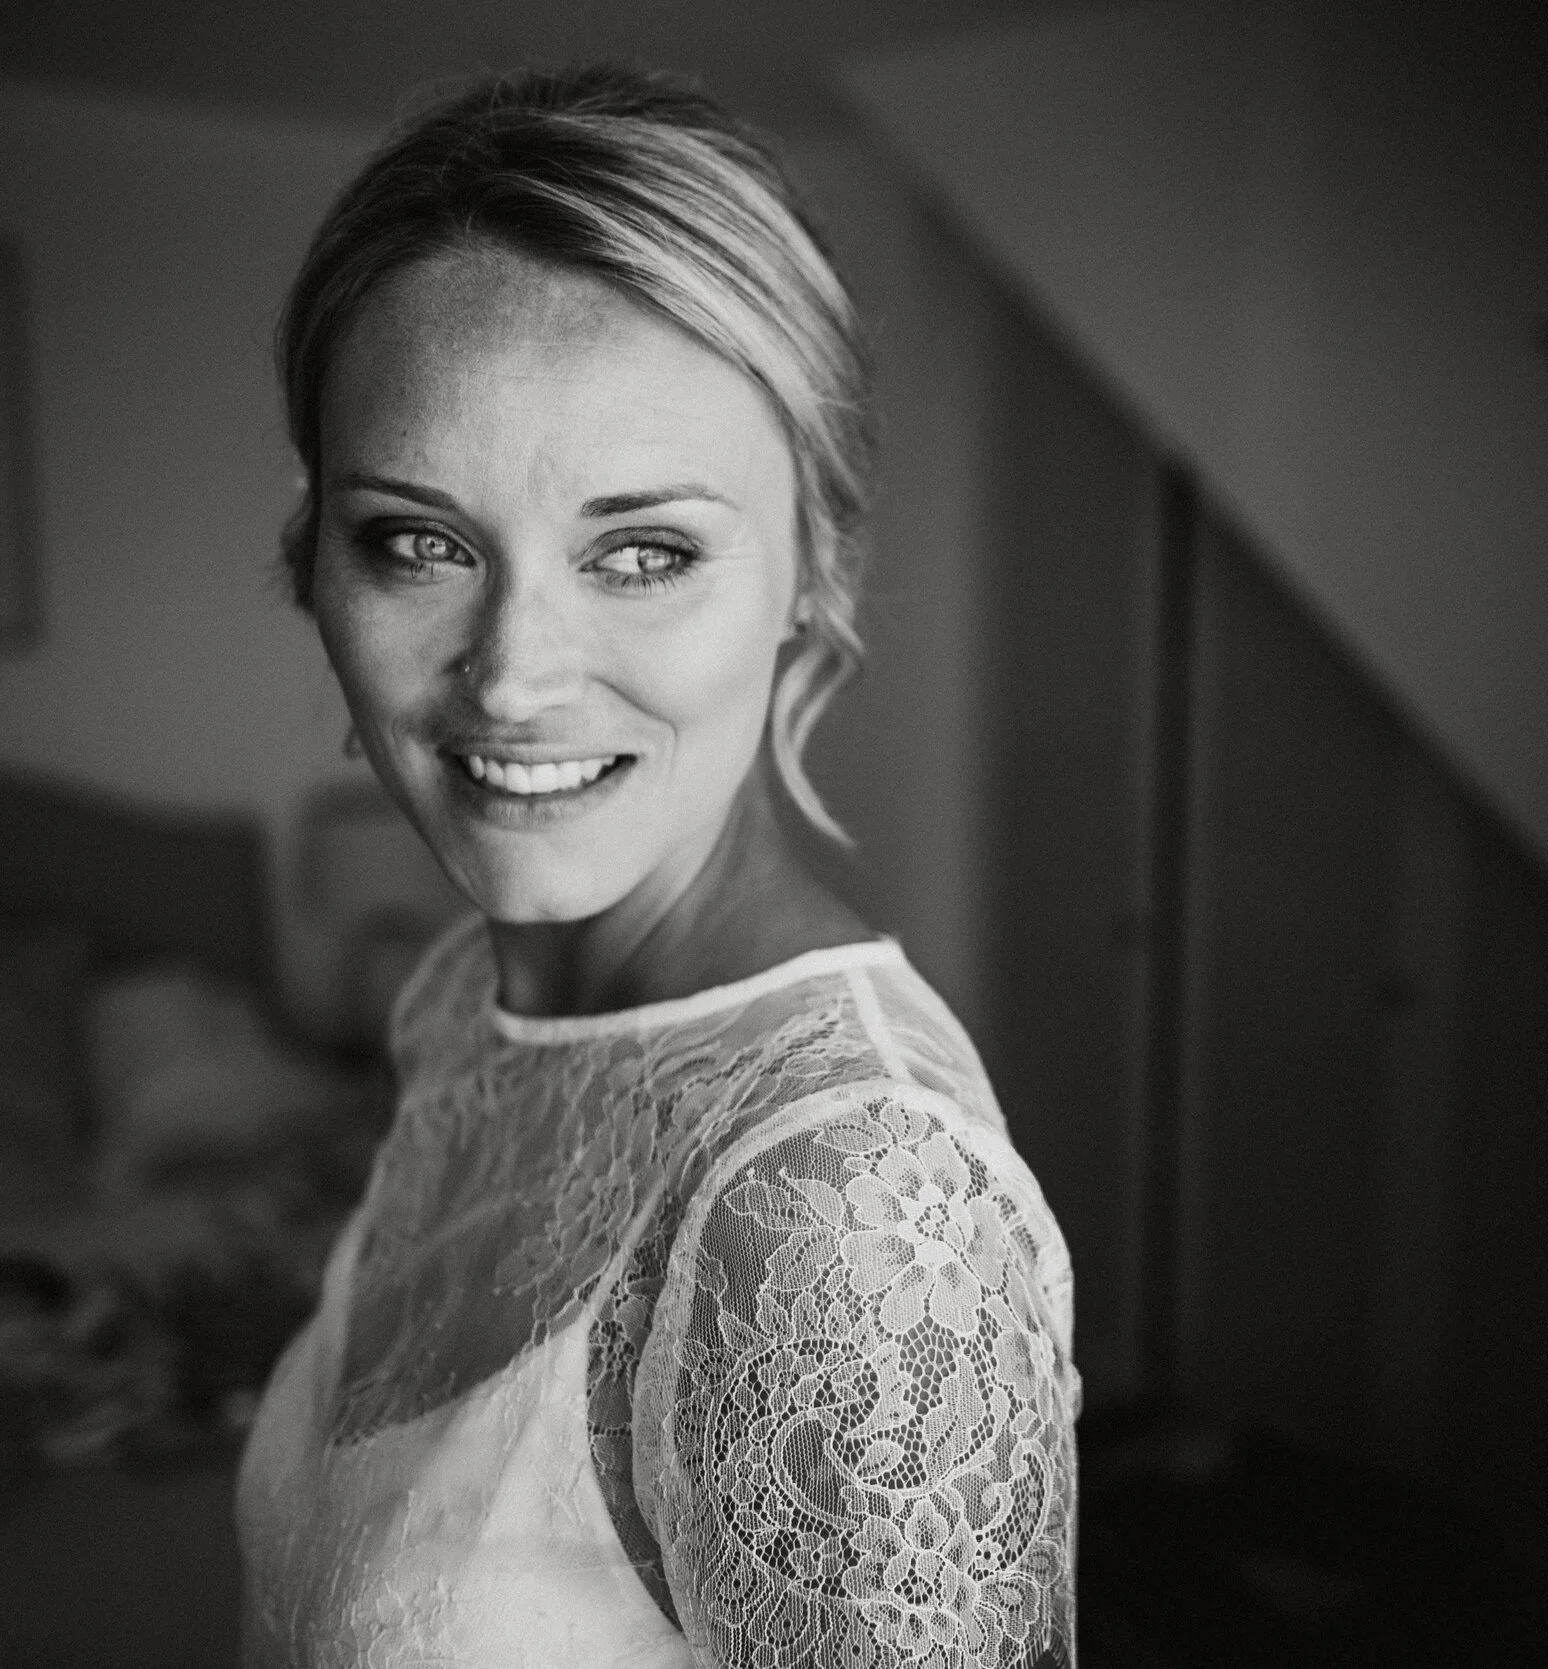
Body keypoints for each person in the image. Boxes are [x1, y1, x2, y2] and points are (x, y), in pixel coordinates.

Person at [232, 66, 1078, 1669]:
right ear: (314, 560)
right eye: (419, 541)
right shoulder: (457, 1003)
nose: (513, 677)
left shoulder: (844, 1214)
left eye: (645, 551)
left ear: (808, 579)